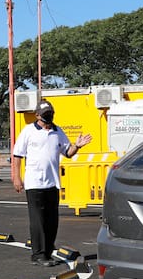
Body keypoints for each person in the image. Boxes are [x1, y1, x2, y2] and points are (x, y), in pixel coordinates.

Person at [11, 100, 93, 266]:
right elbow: (17, 155)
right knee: (38, 221)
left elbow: (67, 152)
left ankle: (47, 253)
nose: (48, 117)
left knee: (52, 221)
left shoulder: (57, 131)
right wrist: (16, 177)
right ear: (37, 115)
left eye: (50, 113)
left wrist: (77, 146)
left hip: (52, 183)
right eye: (45, 114)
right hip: (34, 183)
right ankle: (38, 255)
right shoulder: (28, 131)